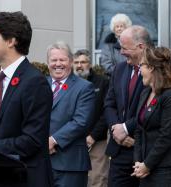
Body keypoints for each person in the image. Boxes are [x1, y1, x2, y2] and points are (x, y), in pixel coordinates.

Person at [0, 11, 53, 187]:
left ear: (11, 41)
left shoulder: (35, 82)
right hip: (2, 175)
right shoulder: (0, 78)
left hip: (25, 178)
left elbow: (32, 140)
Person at [104, 25, 153, 187]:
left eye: (125, 48)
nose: (121, 52)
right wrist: (117, 130)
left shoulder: (156, 71)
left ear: (141, 47)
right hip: (119, 149)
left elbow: (151, 108)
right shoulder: (119, 69)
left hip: (144, 150)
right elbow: (109, 104)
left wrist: (125, 129)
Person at [131, 47, 171, 186]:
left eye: (141, 65)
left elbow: (166, 135)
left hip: (166, 169)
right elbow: (138, 129)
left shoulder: (170, 96)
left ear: (151, 68)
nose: (139, 70)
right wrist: (138, 162)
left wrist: (147, 164)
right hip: (144, 168)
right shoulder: (145, 93)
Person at [47, 41, 95, 187]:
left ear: (71, 61)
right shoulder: (39, 85)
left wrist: (53, 140)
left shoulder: (84, 87)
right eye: (53, 60)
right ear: (47, 63)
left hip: (70, 163)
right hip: (42, 162)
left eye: (62, 60)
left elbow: (81, 121)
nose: (58, 64)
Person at [72, 49, 109, 187]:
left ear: (90, 64)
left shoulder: (103, 82)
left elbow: (107, 112)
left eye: (83, 62)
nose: (79, 65)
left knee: (97, 180)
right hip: (73, 140)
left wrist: (93, 135)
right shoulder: (69, 83)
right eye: (76, 62)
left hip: (97, 141)